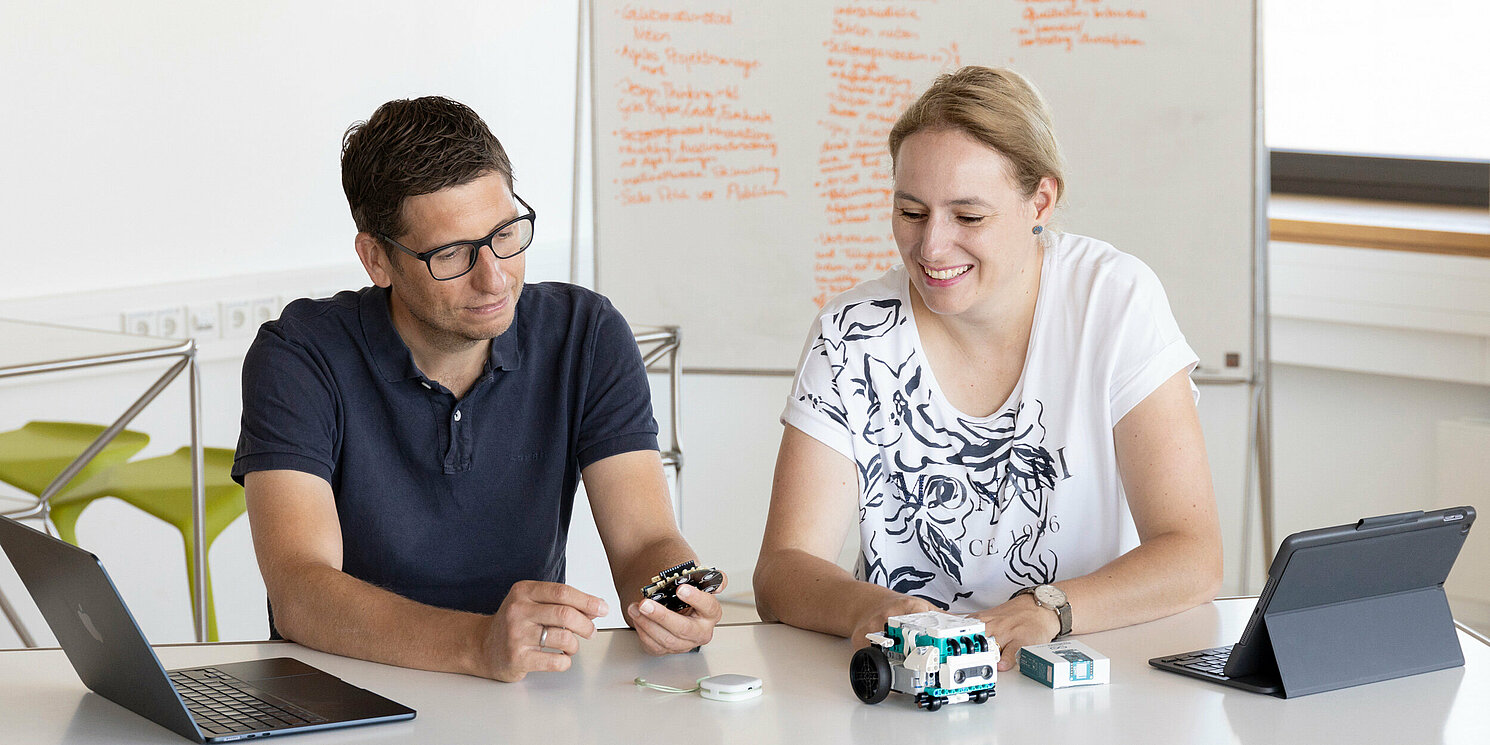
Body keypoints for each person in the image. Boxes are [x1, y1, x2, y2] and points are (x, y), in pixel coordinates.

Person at [233, 96, 721, 683]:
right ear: (376, 259)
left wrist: (672, 595)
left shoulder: (585, 334)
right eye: (452, 254)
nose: (494, 277)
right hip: (349, 688)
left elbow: (646, 539)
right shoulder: (300, 354)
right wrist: (477, 644)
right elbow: (300, 590)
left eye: (506, 234)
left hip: (519, 688)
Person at [753, 67, 1222, 671]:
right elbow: (782, 569)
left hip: (1090, 676)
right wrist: (877, 612)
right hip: (911, 686)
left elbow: (1192, 555)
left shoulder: (1113, 299)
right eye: (911, 212)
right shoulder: (852, 333)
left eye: (968, 217)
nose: (931, 248)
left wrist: (1049, 608)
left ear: (1040, 202)